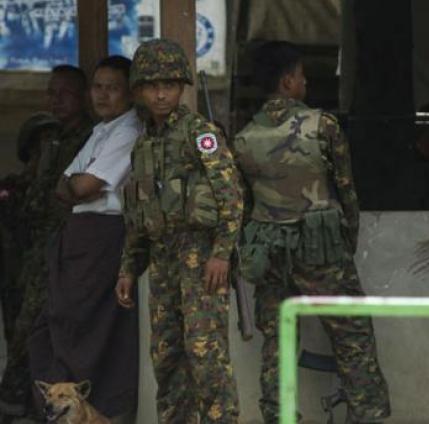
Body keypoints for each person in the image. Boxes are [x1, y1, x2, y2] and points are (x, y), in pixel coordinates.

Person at [233, 40, 390, 424]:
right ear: (288, 81)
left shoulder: (243, 138)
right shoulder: (323, 126)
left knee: (279, 340)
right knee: (352, 333)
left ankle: (279, 415)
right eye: (301, 76)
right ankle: (365, 415)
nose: (305, 84)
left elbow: (243, 205)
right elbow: (346, 191)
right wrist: (346, 240)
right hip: (323, 250)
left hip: (270, 251)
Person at [114, 38, 243, 423]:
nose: (161, 93)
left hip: (201, 256)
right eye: (152, 85)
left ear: (181, 87)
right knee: (167, 356)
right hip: (163, 258)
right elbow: (139, 214)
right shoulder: (143, 146)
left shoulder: (199, 133)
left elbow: (231, 195)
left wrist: (221, 252)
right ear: (138, 89)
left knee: (206, 355)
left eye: (169, 84)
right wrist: (127, 268)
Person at [27, 55, 141, 421]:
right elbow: (66, 185)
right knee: (55, 327)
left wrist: (78, 186)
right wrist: (76, 186)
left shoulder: (129, 129)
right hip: (79, 236)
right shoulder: (101, 130)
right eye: (97, 87)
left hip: (102, 237)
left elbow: (85, 184)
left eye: (113, 88)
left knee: (92, 335)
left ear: (130, 92)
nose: (102, 95)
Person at [0, 65, 92, 419]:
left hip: (61, 244)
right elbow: (30, 184)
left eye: (63, 94)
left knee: (34, 326)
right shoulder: (48, 138)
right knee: (18, 320)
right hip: (29, 244)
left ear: (82, 97)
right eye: (50, 93)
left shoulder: (90, 138)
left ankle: (17, 399)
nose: (55, 101)